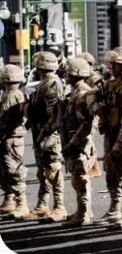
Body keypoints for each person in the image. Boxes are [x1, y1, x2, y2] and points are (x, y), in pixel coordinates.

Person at [90, 47, 122, 229]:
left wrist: (121, 143)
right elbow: (93, 95)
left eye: (116, 64)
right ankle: (114, 210)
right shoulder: (111, 84)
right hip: (111, 133)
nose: (112, 67)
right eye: (111, 63)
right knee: (111, 173)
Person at [20, 51, 67, 221]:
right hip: (41, 133)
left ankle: (60, 207)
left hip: (49, 134)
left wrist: (46, 134)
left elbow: (55, 115)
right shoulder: (43, 84)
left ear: (39, 66)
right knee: (43, 171)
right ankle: (42, 205)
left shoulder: (52, 84)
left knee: (53, 171)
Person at [60, 57, 97, 227]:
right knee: (78, 179)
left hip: (80, 144)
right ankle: (83, 211)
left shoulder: (82, 93)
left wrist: (73, 143)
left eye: (68, 72)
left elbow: (87, 124)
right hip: (76, 142)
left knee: (80, 179)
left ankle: (83, 215)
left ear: (76, 74)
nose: (65, 74)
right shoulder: (76, 90)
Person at [0, 65, 29, 219]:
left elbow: (6, 121)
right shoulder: (14, 93)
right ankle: (9, 200)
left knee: (13, 170)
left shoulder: (11, 95)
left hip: (11, 138)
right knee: (5, 169)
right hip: (10, 138)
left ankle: (22, 203)